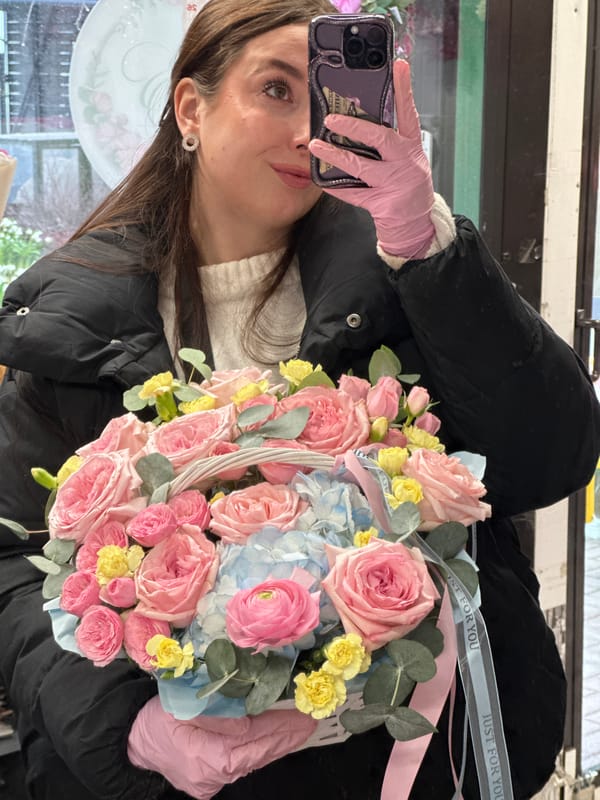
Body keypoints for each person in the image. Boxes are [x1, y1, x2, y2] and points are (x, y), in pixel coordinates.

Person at [0, 0, 598, 797]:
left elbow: (547, 459)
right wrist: (126, 731)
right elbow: (13, 565)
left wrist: (424, 239)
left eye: (330, 105)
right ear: (191, 108)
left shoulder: (403, 280)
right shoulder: (71, 320)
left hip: (409, 762)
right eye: (276, 91)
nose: (305, 136)